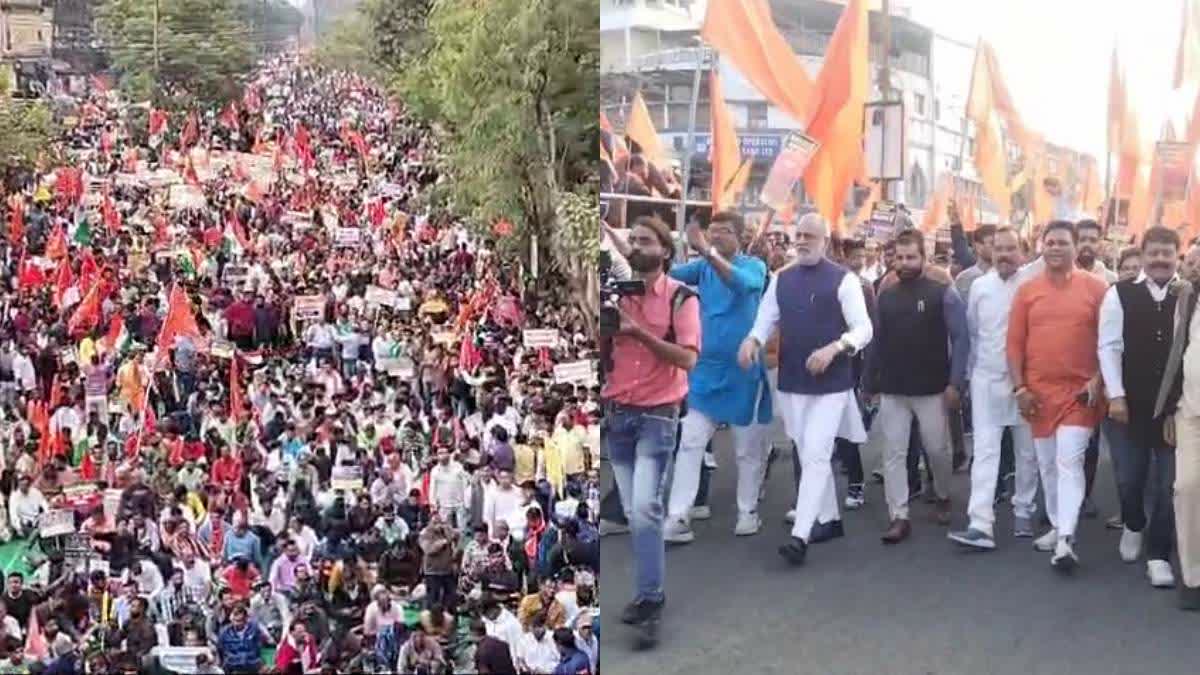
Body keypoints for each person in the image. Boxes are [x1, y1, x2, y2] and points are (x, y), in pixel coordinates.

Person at [739, 213, 872, 564]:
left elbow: (863, 329)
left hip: (832, 384)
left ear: (824, 240)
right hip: (792, 382)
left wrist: (835, 348)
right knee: (804, 446)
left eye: (810, 235)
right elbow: (765, 319)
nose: (802, 241)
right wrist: (752, 340)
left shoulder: (844, 281)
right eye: (798, 234)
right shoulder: (781, 279)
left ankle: (802, 535)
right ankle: (829, 519)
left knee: (814, 453)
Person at [600, 215, 699, 645]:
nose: (636, 245)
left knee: (644, 510)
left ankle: (650, 600)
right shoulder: (612, 295)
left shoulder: (681, 298)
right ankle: (647, 594)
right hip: (617, 413)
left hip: (659, 414)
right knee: (634, 507)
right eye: (632, 239)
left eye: (646, 240)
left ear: (665, 250)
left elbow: (688, 358)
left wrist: (639, 333)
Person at [658, 212, 771, 542]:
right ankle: (678, 516)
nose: (716, 237)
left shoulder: (754, 267)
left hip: (744, 373)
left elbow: (739, 283)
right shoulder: (702, 268)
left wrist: (707, 249)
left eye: (723, 232)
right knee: (691, 442)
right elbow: (667, 276)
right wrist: (644, 251)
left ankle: (747, 511)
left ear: (739, 236)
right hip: (706, 372)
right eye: (712, 232)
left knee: (746, 449)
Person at [1008, 220, 1108, 571]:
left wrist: (1099, 379)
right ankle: (1056, 523)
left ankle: (1066, 538)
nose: (1055, 248)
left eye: (1062, 242)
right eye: (1049, 242)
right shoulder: (1026, 291)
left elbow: (1110, 343)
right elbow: (1015, 344)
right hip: (1038, 394)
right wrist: (1020, 388)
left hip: (1080, 394)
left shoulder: (1097, 289)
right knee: (1047, 464)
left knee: (1069, 460)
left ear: (1076, 246)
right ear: (1041, 246)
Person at [865, 229, 968, 542]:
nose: (904, 263)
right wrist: (869, 381)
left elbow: (961, 338)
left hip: (933, 388)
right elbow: (875, 341)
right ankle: (899, 515)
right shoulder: (885, 295)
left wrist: (955, 383)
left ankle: (942, 494)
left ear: (924, 258)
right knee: (893, 453)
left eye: (911, 257)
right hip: (894, 387)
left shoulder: (943, 292)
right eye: (899, 257)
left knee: (937, 449)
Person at [1098, 226, 1181, 588]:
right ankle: (1133, 524)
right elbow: (1109, 347)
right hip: (1127, 406)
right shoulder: (1119, 293)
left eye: (1167, 253)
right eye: (1154, 253)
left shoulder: (1190, 295)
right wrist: (1115, 395)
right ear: (1143, 255)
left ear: (1177, 256)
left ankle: (1159, 553)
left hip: (1175, 410)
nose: (1161, 259)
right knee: (1129, 477)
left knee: (1169, 486)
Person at [948, 227, 1040, 549]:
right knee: (985, 452)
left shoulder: (1032, 283)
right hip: (986, 380)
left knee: (1027, 452)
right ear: (990, 251)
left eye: (1011, 249)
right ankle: (980, 523)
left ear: (1023, 252)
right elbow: (973, 334)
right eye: (998, 248)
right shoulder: (979, 287)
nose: (1004, 255)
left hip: (1025, 383)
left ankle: (1024, 510)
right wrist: (970, 378)